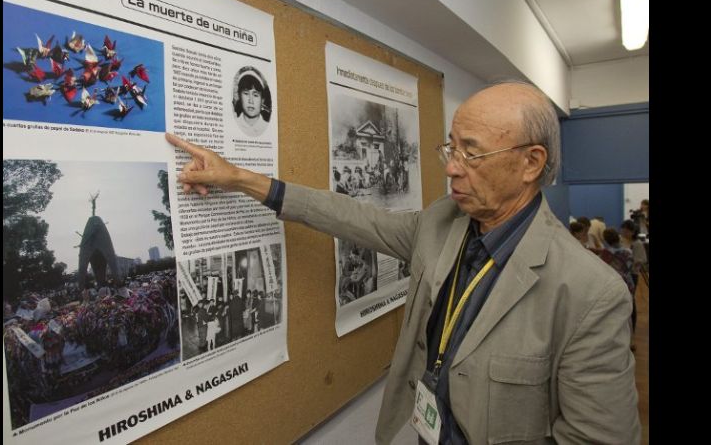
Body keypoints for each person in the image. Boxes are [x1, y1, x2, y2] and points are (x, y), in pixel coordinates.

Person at [166, 80, 639, 444]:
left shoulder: (589, 293)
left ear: (531, 163)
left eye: (471, 153)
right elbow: (354, 217)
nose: (452, 166)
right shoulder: (442, 222)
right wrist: (241, 179)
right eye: (452, 148)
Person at [232, 66, 272, 138]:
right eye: (246, 94)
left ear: (262, 99)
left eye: (255, 95)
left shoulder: (266, 127)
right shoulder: (233, 125)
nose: (251, 101)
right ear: (239, 96)